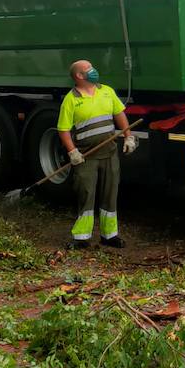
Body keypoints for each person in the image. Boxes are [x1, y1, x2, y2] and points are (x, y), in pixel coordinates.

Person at [57, 58, 134, 249]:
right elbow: (63, 130)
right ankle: (81, 238)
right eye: (88, 69)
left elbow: (120, 114)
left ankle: (110, 236)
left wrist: (128, 136)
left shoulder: (106, 91)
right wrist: (72, 151)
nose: (93, 70)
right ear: (79, 76)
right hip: (86, 156)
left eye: (92, 67)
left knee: (110, 193)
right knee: (86, 193)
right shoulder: (71, 99)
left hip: (109, 153)